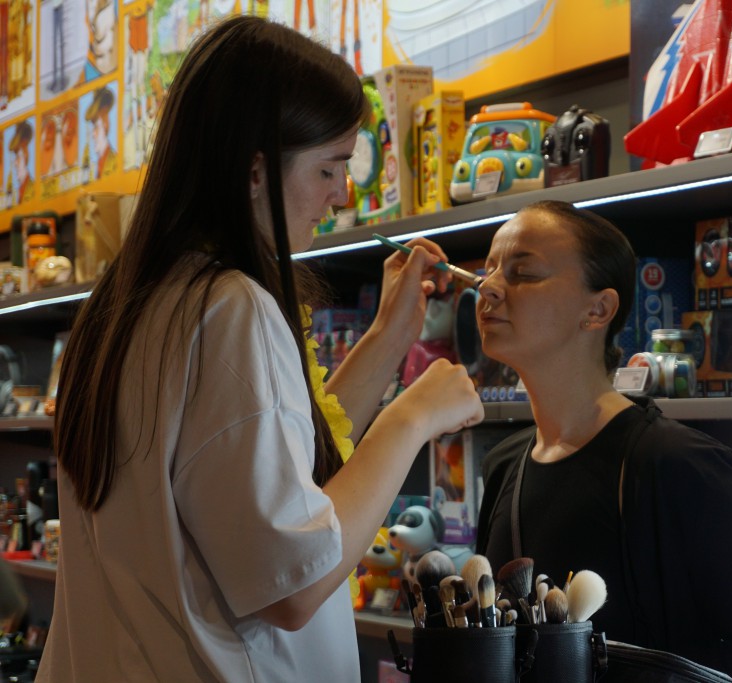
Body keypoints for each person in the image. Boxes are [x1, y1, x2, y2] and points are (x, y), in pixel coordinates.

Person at [39, 16, 483, 682]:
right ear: (255, 170)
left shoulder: (125, 301)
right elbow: (291, 583)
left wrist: (389, 339)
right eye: (329, 168)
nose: (341, 194)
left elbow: (261, 458)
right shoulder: (229, 306)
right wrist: (412, 418)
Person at [474, 200, 732, 683]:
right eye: (487, 271)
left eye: (522, 273)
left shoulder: (681, 465)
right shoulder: (504, 465)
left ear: (598, 309)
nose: (487, 287)